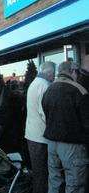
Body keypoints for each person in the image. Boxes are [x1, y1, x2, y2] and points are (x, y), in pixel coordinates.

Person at [42, 61, 89, 193]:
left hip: (51, 144)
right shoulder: (79, 90)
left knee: (54, 181)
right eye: (77, 72)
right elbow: (86, 122)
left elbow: (46, 113)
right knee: (75, 184)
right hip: (72, 146)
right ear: (73, 71)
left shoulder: (49, 89)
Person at [25, 61, 56, 193]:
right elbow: (45, 113)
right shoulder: (45, 86)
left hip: (32, 135)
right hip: (41, 138)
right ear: (49, 73)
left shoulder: (34, 83)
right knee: (43, 174)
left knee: (38, 173)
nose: (54, 77)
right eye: (53, 74)